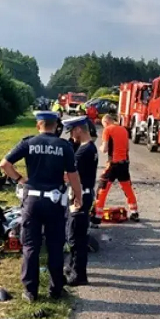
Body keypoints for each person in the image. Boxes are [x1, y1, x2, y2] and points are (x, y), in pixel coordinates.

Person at [0, 111, 82, 303]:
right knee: (55, 246)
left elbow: (5, 164)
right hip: (54, 203)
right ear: (56, 126)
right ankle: (56, 289)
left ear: (39, 125)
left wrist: (20, 179)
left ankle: (30, 292)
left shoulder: (28, 143)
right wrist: (78, 196)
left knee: (30, 247)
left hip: (32, 202)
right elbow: (73, 175)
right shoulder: (64, 146)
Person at [63, 116, 98, 286]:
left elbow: (69, 175)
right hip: (83, 194)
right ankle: (71, 266)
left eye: (71, 131)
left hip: (80, 197)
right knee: (75, 233)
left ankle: (79, 275)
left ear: (78, 129)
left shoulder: (83, 152)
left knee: (76, 236)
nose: (71, 135)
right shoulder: (88, 147)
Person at [93, 113, 139, 224]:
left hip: (113, 164)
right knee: (127, 188)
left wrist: (99, 147)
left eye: (103, 124)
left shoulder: (108, 130)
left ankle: (97, 217)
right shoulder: (124, 130)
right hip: (124, 164)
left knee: (102, 189)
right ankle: (134, 212)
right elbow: (127, 148)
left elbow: (104, 149)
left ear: (106, 122)